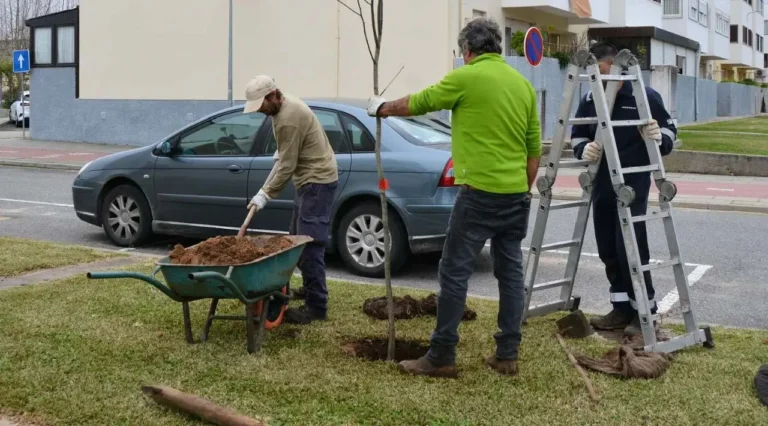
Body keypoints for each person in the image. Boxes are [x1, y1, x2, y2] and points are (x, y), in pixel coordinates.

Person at [366, 17, 541, 378]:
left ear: (467, 50)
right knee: (510, 275)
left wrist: (382, 108)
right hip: (515, 196)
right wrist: (521, 188)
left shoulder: (466, 77)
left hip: (478, 195)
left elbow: (420, 102)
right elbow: (533, 150)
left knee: (454, 272)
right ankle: (507, 354)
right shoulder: (523, 85)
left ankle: (442, 355)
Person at [570, 42, 677, 336]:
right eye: (596, 73)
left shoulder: (644, 95)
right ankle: (620, 309)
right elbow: (577, 133)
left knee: (630, 248)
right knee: (608, 249)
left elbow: (669, 130)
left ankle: (644, 313)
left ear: (615, 66)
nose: (601, 78)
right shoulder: (591, 98)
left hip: (632, 182)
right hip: (601, 183)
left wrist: (659, 136)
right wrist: (583, 149)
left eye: (605, 71)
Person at [244, 75, 339, 325]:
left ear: (272, 95)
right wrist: (266, 184)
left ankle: (317, 306)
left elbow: (287, 166)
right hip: (309, 181)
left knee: (308, 244)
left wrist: (265, 194)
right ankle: (309, 289)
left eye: (261, 105)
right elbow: (285, 157)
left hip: (316, 182)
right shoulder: (283, 108)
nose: (260, 111)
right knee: (295, 239)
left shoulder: (288, 117)